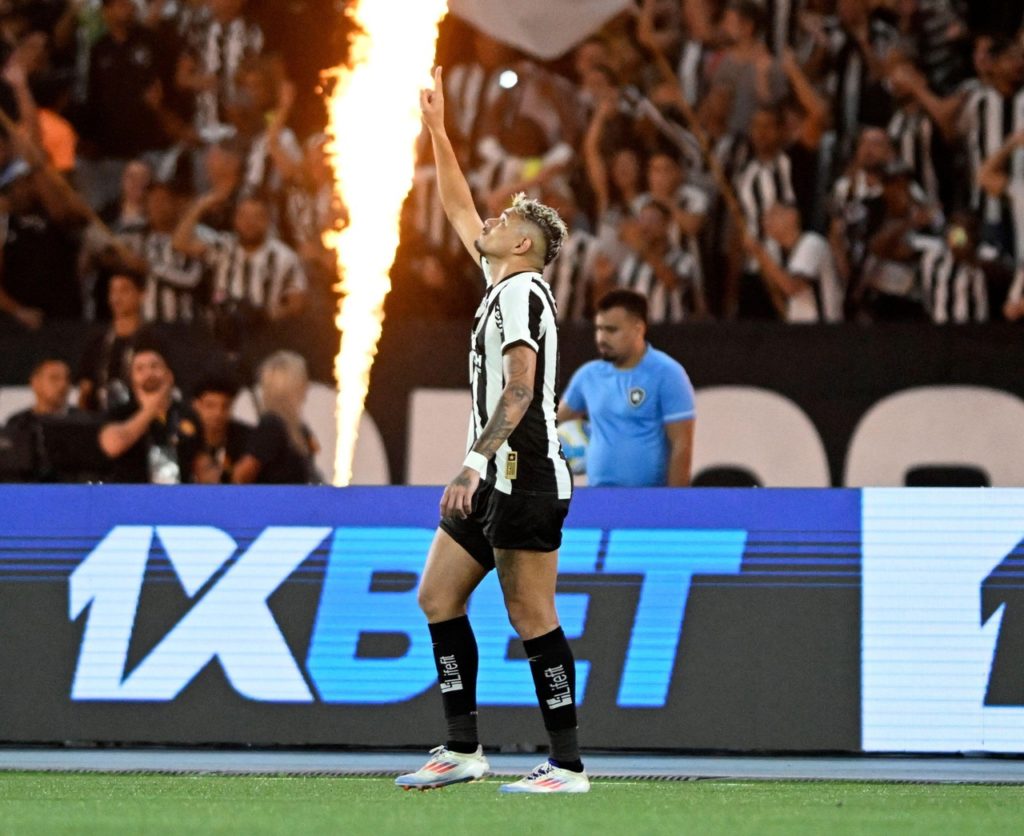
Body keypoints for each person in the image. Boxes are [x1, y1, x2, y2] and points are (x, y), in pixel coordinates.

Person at [395, 67, 586, 795]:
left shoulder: (520, 294)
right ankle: (462, 749)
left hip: (523, 473)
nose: (495, 221)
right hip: (498, 472)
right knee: (439, 596)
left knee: (531, 612)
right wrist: (439, 131)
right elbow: (457, 206)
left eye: (511, 222)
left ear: (527, 248)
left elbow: (520, 390)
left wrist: (472, 463)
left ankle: (567, 766)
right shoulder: (503, 281)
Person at [557, 289, 695, 487]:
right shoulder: (588, 375)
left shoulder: (667, 374)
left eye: (611, 330)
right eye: (599, 329)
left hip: (648, 500)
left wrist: (675, 503)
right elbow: (552, 423)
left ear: (638, 329)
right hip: (598, 498)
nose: (601, 338)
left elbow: (681, 444)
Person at [97, 336, 200, 484]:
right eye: (140, 369)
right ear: (131, 379)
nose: (148, 373)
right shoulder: (120, 413)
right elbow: (112, 445)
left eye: (155, 366)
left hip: (178, 499)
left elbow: (202, 464)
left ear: (169, 374)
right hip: (131, 500)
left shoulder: (187, 413)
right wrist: (152, 409)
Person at [231, 350, 318, 484]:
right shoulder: (272, 426)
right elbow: (241, 475)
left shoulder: (297, 427)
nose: (307, 386)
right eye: (303, 380)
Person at [190, 372, 251, 484]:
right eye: (210, 405)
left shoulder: (246, 439)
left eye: (225, 406)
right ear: (195, 406)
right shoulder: (185, 438)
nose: (218, 413)